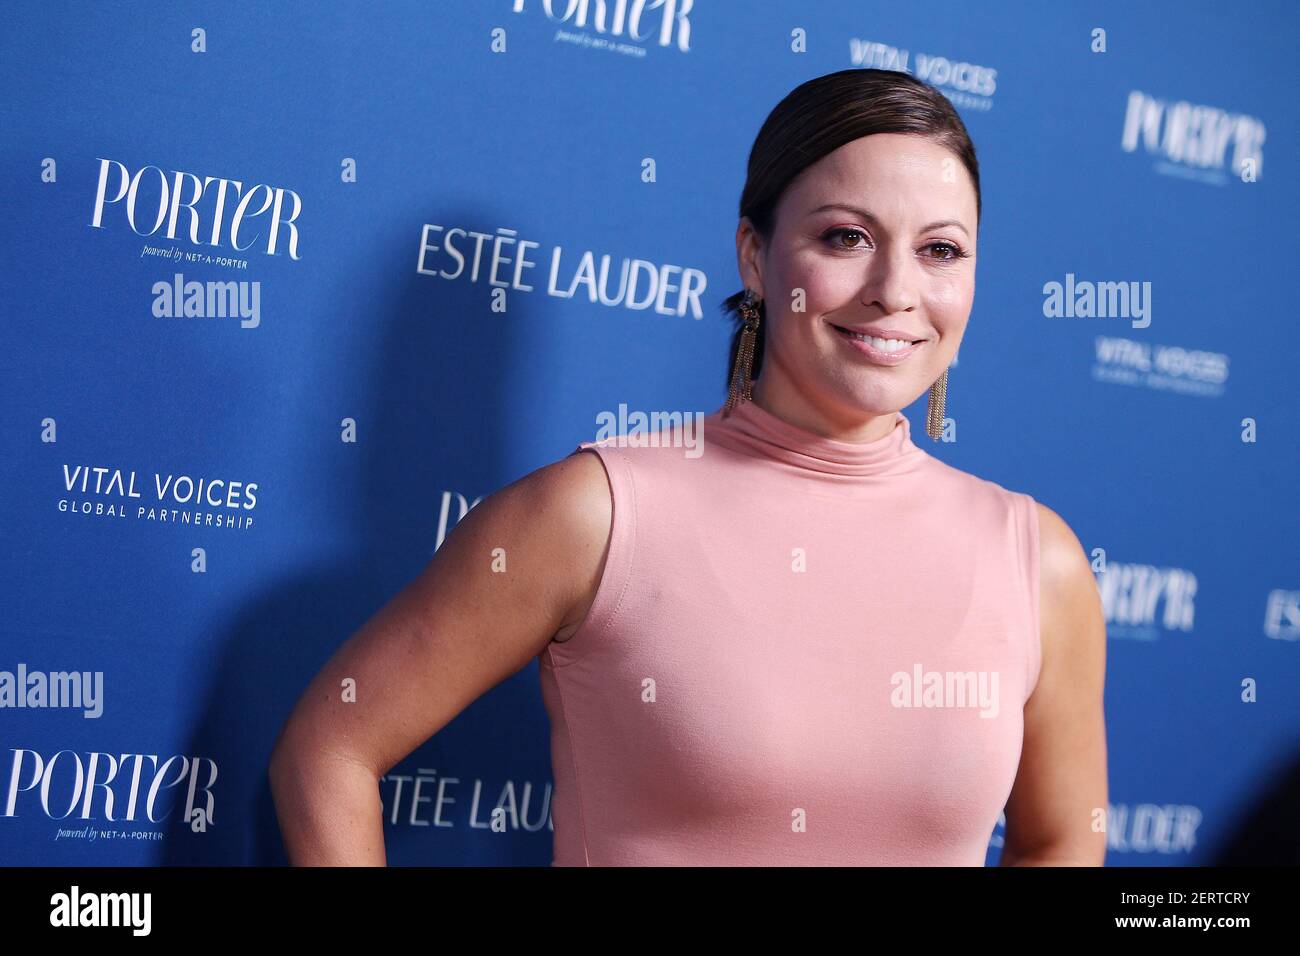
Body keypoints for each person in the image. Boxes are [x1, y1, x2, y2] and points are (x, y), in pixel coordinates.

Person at [269, 68, 1107, 866]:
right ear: (755, 255)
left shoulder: (1038, 563)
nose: (895, 287)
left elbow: (1062, 841)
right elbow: (329, 750)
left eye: (941, 250)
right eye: (846, 237)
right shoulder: (597, 514)